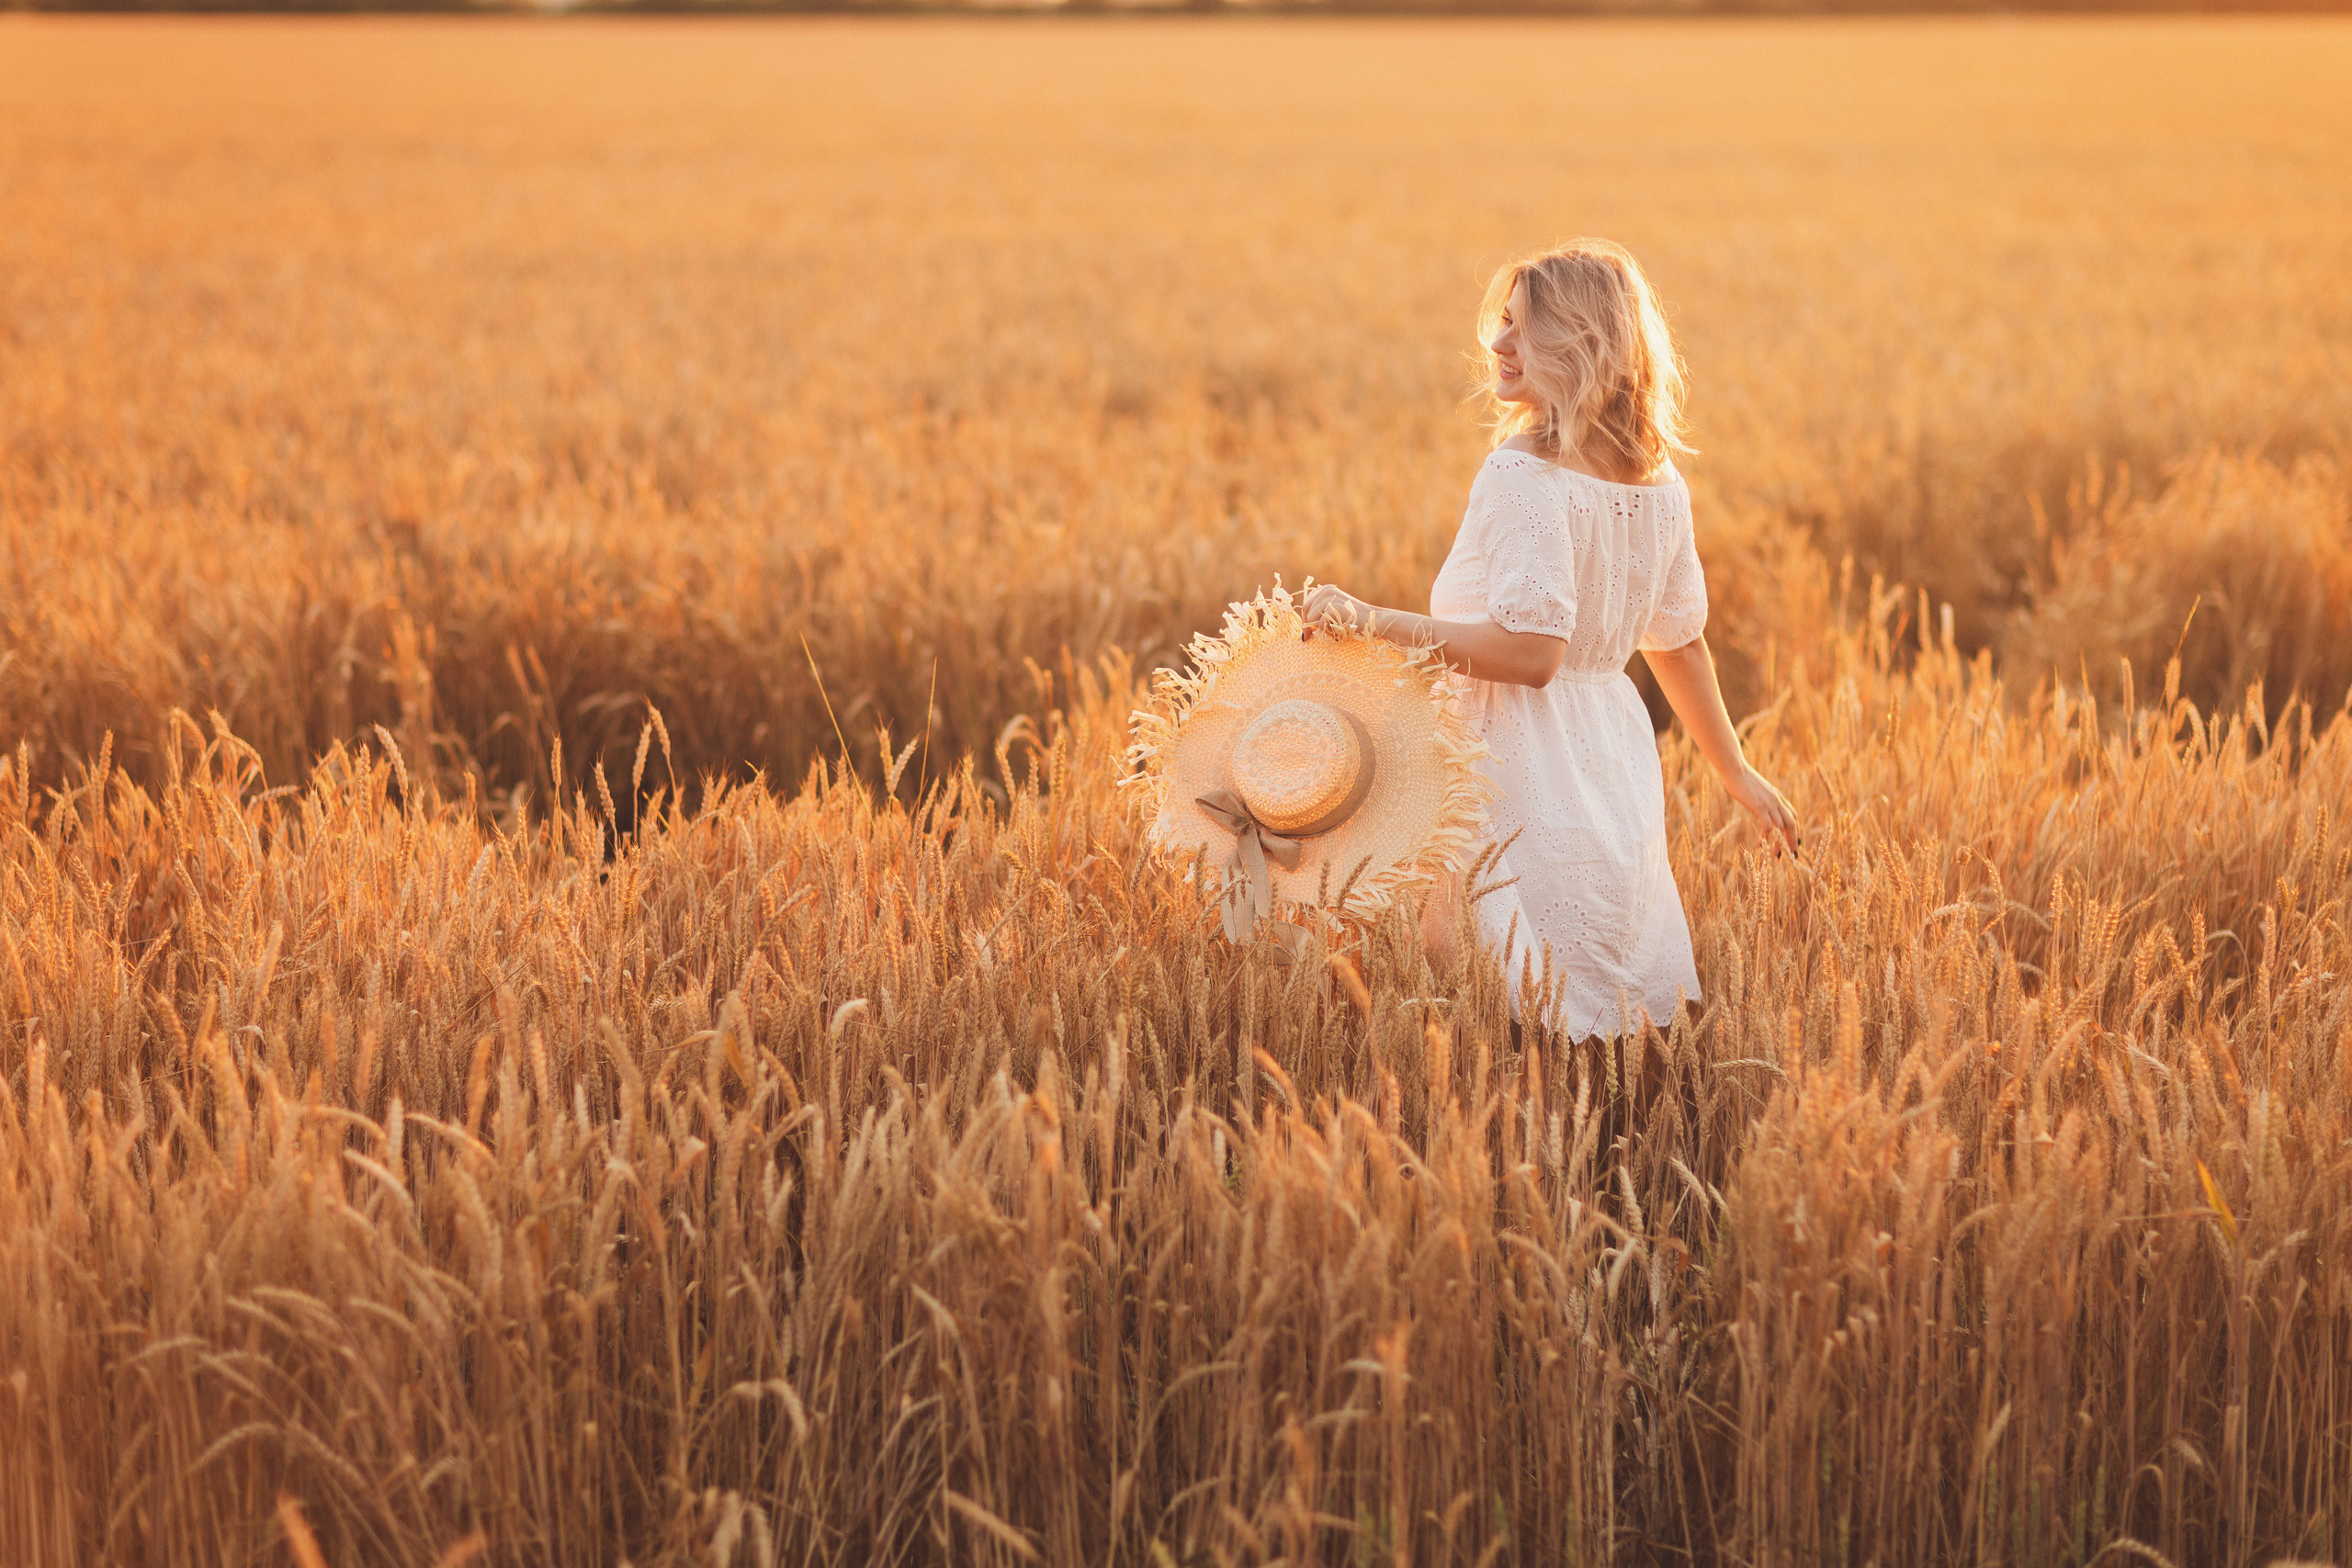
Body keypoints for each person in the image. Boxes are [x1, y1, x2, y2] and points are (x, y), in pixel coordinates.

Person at [1305, 240, 1799, 1038]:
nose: (1497, 342)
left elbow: (1534, 656)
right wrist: (1733, 770)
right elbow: (1678, 644)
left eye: (1522, 328)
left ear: (1580, 342)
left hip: (1509, 759)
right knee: (1598, 996)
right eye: (1500, 322)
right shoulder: (1659, 481)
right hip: (1610, 763)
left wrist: (1373, 621)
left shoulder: (1521, 473)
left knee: (1489, 1007)